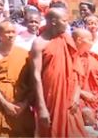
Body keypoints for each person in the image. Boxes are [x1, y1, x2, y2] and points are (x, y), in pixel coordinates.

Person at [31, 8, 87, 138]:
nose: (67, 24)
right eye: (64, 21)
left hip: (70, 99)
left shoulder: (67, 39)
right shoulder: (39, 44)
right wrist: (42, 107)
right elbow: (36, 76)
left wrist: (77, 94)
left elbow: (77, 68)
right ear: (53, 21)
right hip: (51, 97)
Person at [0, 20, 34, 137]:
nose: (11, 35)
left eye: (13, 32)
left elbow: (32, 83)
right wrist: (5, 104)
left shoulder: (25, 54)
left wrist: (24, 104)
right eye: (7, 32)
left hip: (20, 102)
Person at [72, 28, 98, 138]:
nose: (92, 43)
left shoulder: (93, 58)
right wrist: (81, 93)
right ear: (79, 40)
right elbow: (64, 83)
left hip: (95, 104)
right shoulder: (68, 58)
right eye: (89, 40)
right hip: (76, 105)